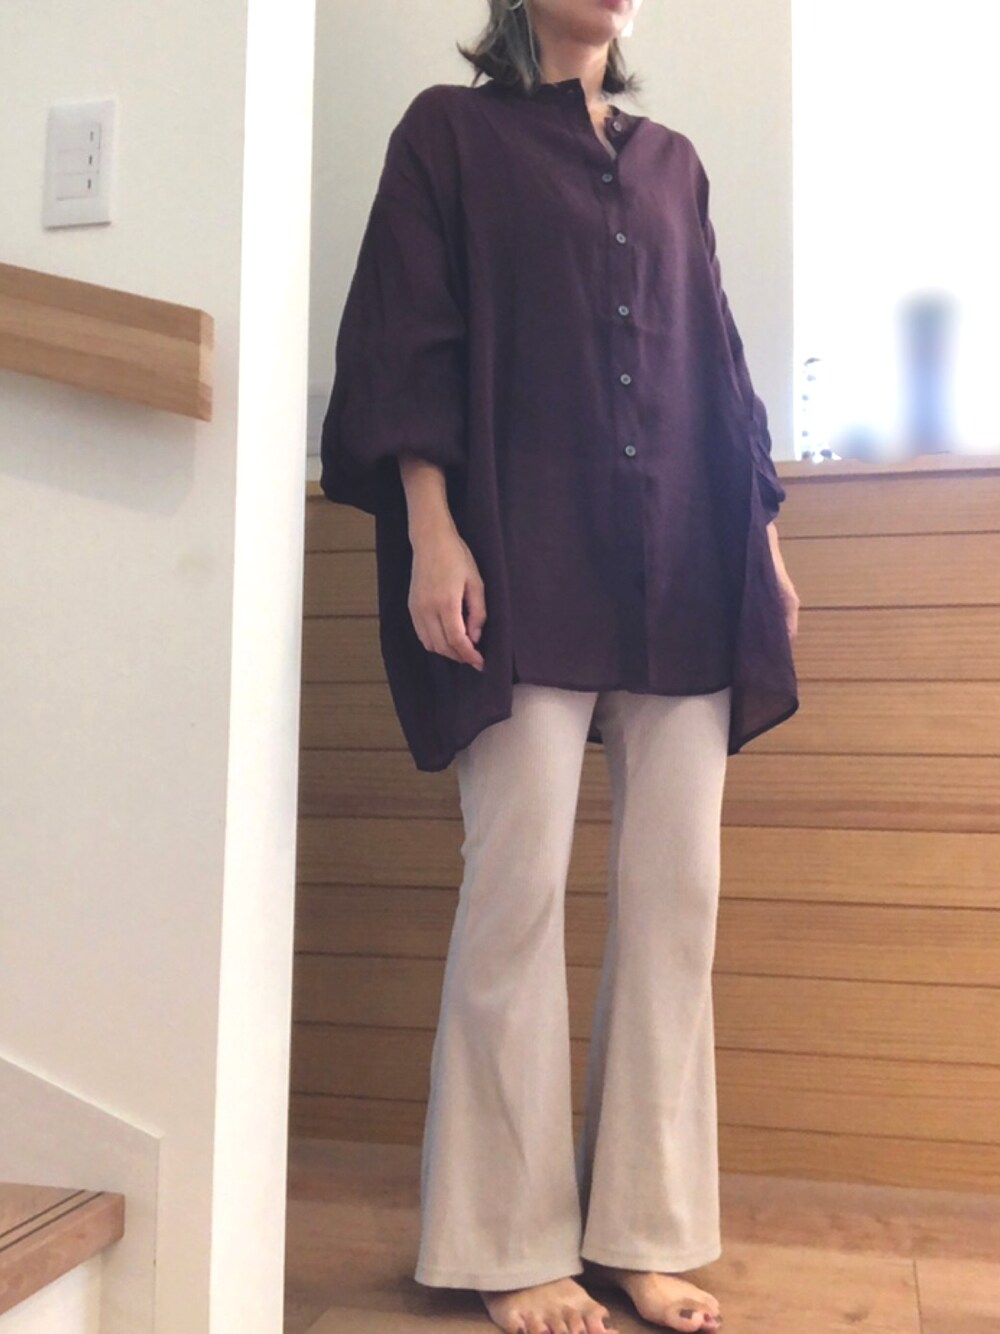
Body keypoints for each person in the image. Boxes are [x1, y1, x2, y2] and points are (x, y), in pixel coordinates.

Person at [320, 2, 801, 1332]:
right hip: (521, 555)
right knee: (516, 889)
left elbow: (720, 367)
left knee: (676, 896)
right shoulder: (446, 136)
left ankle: (647, 1229)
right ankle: (505, 1242)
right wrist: (432, 532)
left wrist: (762, 546)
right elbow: (407, 342)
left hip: (685, 555)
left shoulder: (673, 165)